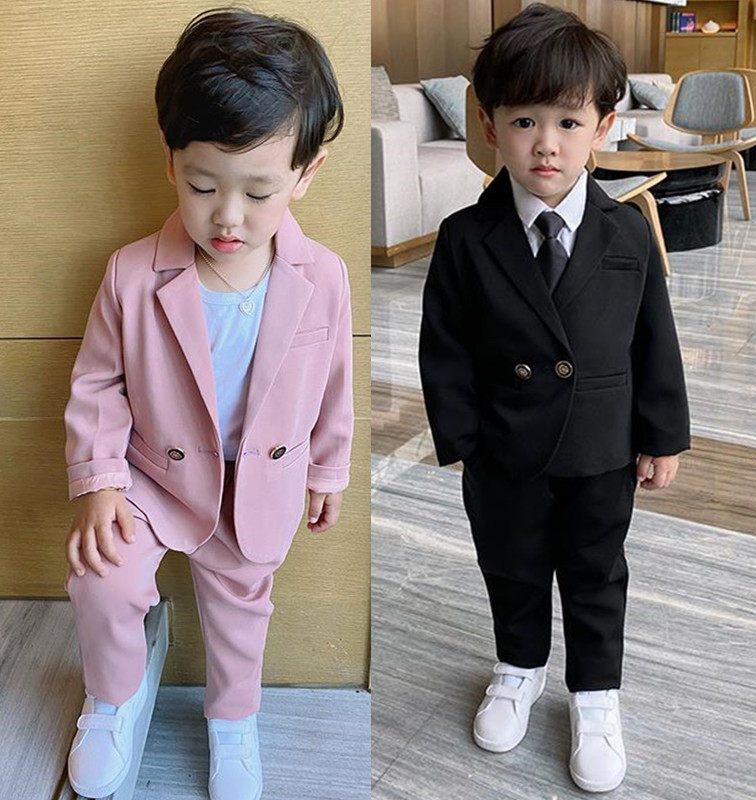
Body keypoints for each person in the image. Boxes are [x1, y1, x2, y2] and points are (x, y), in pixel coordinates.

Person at [62, 8, 353, 800]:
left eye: (258, 192)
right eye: (203, 186)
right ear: (171, 164)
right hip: (150, 477)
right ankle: (112, 698)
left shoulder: (323, 276)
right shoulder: (131, 274)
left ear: (306, 174)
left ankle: (233, 719)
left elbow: (333, 384)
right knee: (100, 576)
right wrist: (99, 483)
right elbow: (97, 383)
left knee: (240, 608)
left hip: (257, 482)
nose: (227, 216)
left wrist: (328, 471)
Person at [418, 4, 690, 793]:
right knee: (511, 565)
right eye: (524, 121)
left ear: (603, 126)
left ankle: (596, 694)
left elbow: (655, 339)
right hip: (504, 451)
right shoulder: (465, 238)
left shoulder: (627, 233)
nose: (547, 143)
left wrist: (661, 434)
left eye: (569, 122)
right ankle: (519, 666)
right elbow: (444, 346)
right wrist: (462, 438)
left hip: (602, 448)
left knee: (597, 571)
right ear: (489, 125)